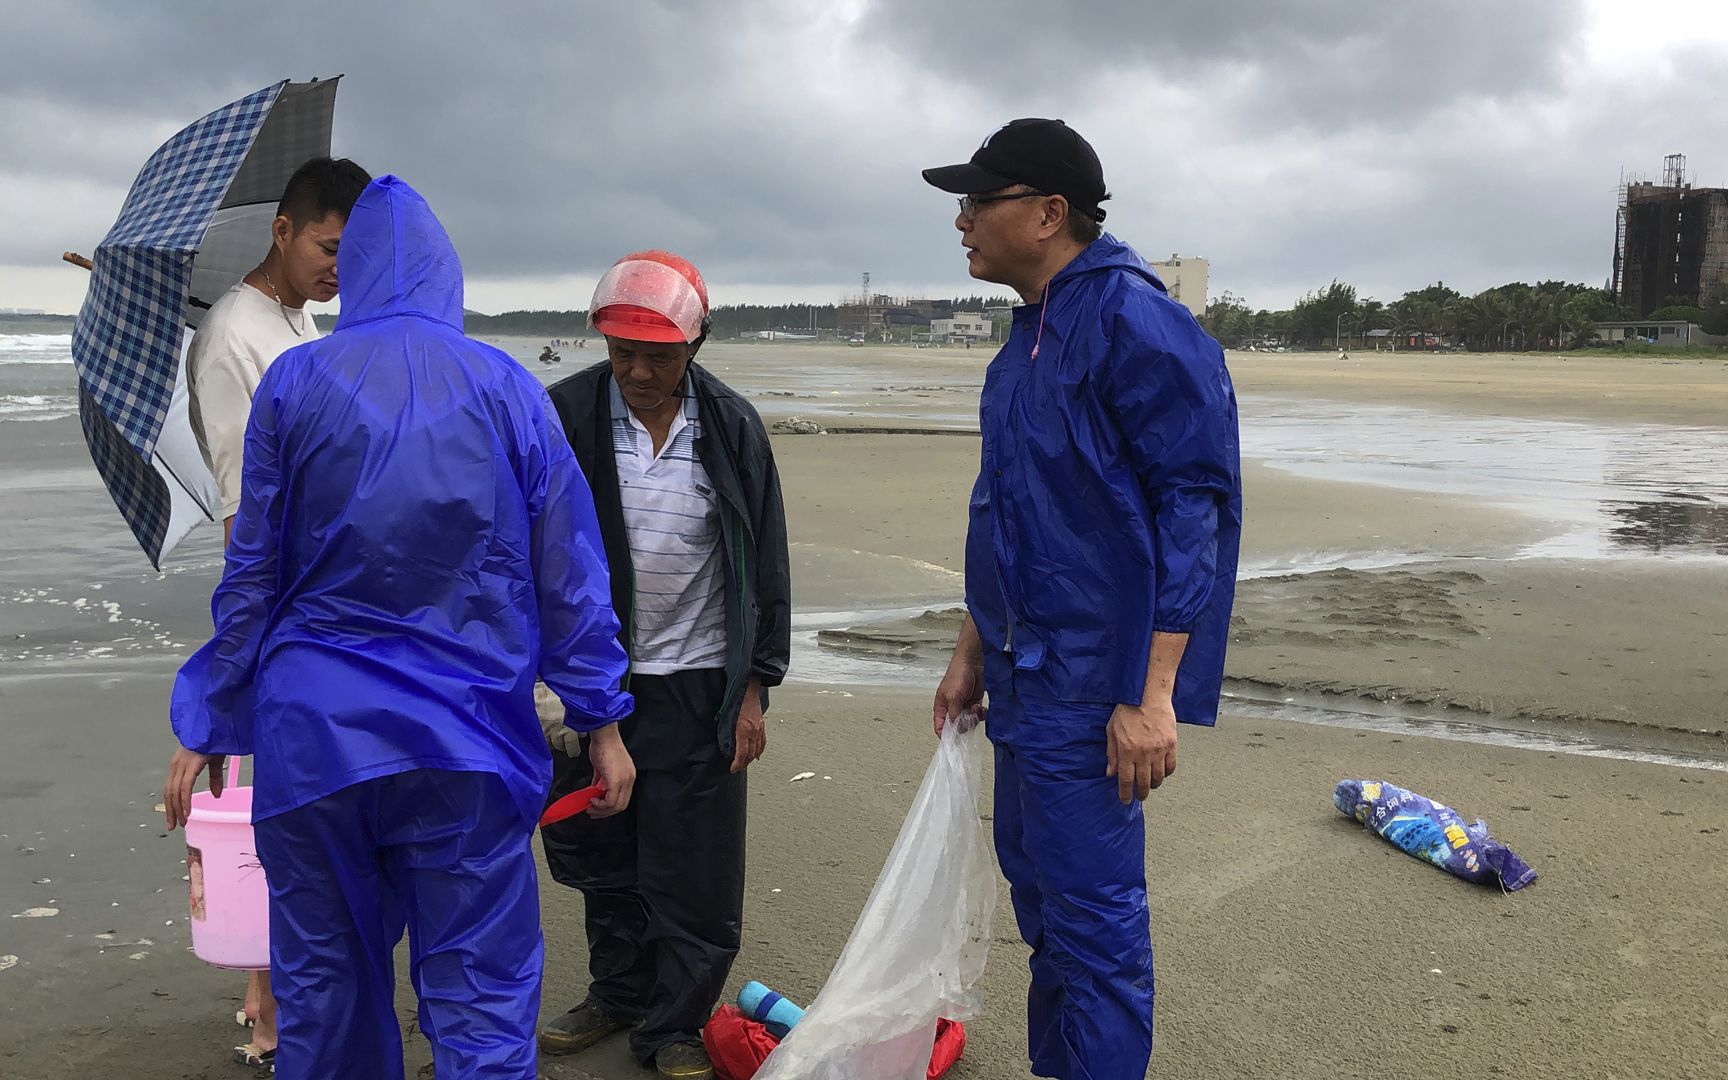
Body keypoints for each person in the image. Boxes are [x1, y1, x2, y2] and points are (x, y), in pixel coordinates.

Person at [162, 175, 637, 1080]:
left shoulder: (295, 383)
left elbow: (251, 573)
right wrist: (602, 720)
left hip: (316, 742)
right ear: (443, 273)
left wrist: (212, 717)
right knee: (479, 997)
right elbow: (570, 575)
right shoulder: (509, 390)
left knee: (326, 992)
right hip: (466, 740)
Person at [922, 119, 1242, 1079]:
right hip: (1024, 674)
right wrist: (974, 647)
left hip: (1097, 686)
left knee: (1095, 927)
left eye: (981, 201)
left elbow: (1197, 511)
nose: (963, 221)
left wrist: (1152, 699)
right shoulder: (1026, 341)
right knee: (1044, 902)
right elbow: (1008, 510)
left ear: (1050, 213)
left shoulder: (1136, 324)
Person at [538, 250, 790, 1080]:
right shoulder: (563, 415)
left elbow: (766, 565)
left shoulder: (733, 427)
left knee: (696, 865)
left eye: (659, 355)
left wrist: (753, 689)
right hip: (590, 680)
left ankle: (675, 1024)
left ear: (696, 343)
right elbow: (518, 551)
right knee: (601, 844)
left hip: (700, 679)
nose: (638, 372)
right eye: (622, 352)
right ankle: (617, 991)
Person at [182, 154, 370, 1071]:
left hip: (331, 600)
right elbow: (237, 515)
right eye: (329, 247)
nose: (341, 266)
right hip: (285, 607)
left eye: (354, 251)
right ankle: (264, 1000)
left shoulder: (295, 322)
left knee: (297, 804)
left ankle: (275, 989)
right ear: (283, 232)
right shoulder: (231, 339)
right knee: (274, 805)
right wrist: (240, 657)